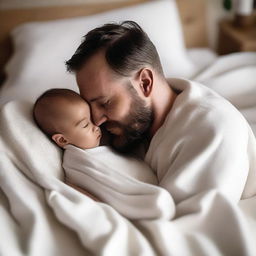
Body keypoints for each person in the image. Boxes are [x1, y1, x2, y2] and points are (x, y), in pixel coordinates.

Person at [66, 20, 256, 207]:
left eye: (105, 103)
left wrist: (98, 205)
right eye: (90, 106)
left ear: (145, 83)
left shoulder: (213, 130)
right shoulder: (136, 126)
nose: (96, 120)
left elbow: (189, 227)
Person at [33, 88, 175, 220]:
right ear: (63, 139)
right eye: (85, 125)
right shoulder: (77, 161)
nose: (96, 125)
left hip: (156, 186)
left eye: (92, 119)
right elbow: (83, 190)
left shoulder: (103, 142)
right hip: (144, 200)